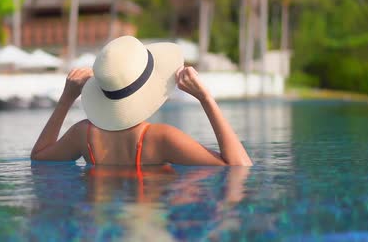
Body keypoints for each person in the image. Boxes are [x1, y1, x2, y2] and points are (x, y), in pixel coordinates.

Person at [30, 36, 252, 166]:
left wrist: (66, 99)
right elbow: (239, 166)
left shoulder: (82, 135)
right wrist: (206, 99)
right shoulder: (161, 138)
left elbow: (39, 157)